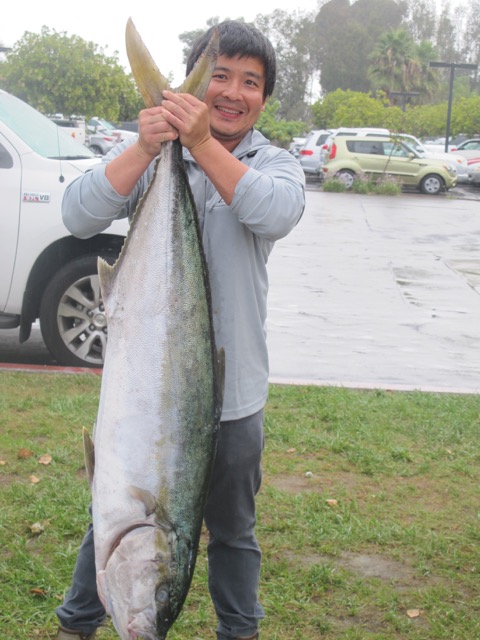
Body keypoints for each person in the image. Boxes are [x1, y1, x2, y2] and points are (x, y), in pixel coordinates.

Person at [55, 20, 305, 640]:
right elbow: (76, 213)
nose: (232, 91)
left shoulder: (272, 164)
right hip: (143, 402)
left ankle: (238, 632)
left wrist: (200, 145)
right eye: (219, 74)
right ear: (199, 83)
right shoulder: (151, 154)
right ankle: (76, 623)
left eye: (250, 82)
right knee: (113, 513)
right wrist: (148, 146)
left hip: (236, 397)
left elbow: (273, 213)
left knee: (234, 532)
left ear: (264, 99)